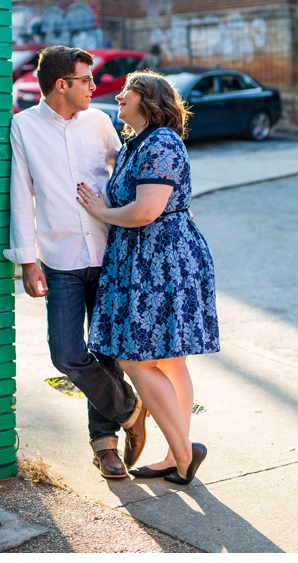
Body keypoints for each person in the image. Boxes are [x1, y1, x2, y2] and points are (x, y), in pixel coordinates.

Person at [5, 45, 148, 479]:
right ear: (62, 84)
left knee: (105, 353)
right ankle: (131, 410)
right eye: (86, 79)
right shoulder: (24, 127)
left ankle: (105, 448)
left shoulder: (101, 122)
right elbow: (20, 195)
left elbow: (124, 173)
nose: (94, 86)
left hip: (109, 253)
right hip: (60, 258)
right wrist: (28, 261)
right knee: (66, 354)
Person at [78, 70, 220, 486]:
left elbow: (145, 211)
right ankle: (178, 452)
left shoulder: (160, 142)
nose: (118, 96)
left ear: (148, 99)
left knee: (136, 357)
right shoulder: (136, 144)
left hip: (161, 261)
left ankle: (182, 454)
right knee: (170, 360)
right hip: (144, 257)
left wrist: (101, 212)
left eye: (127, 90)